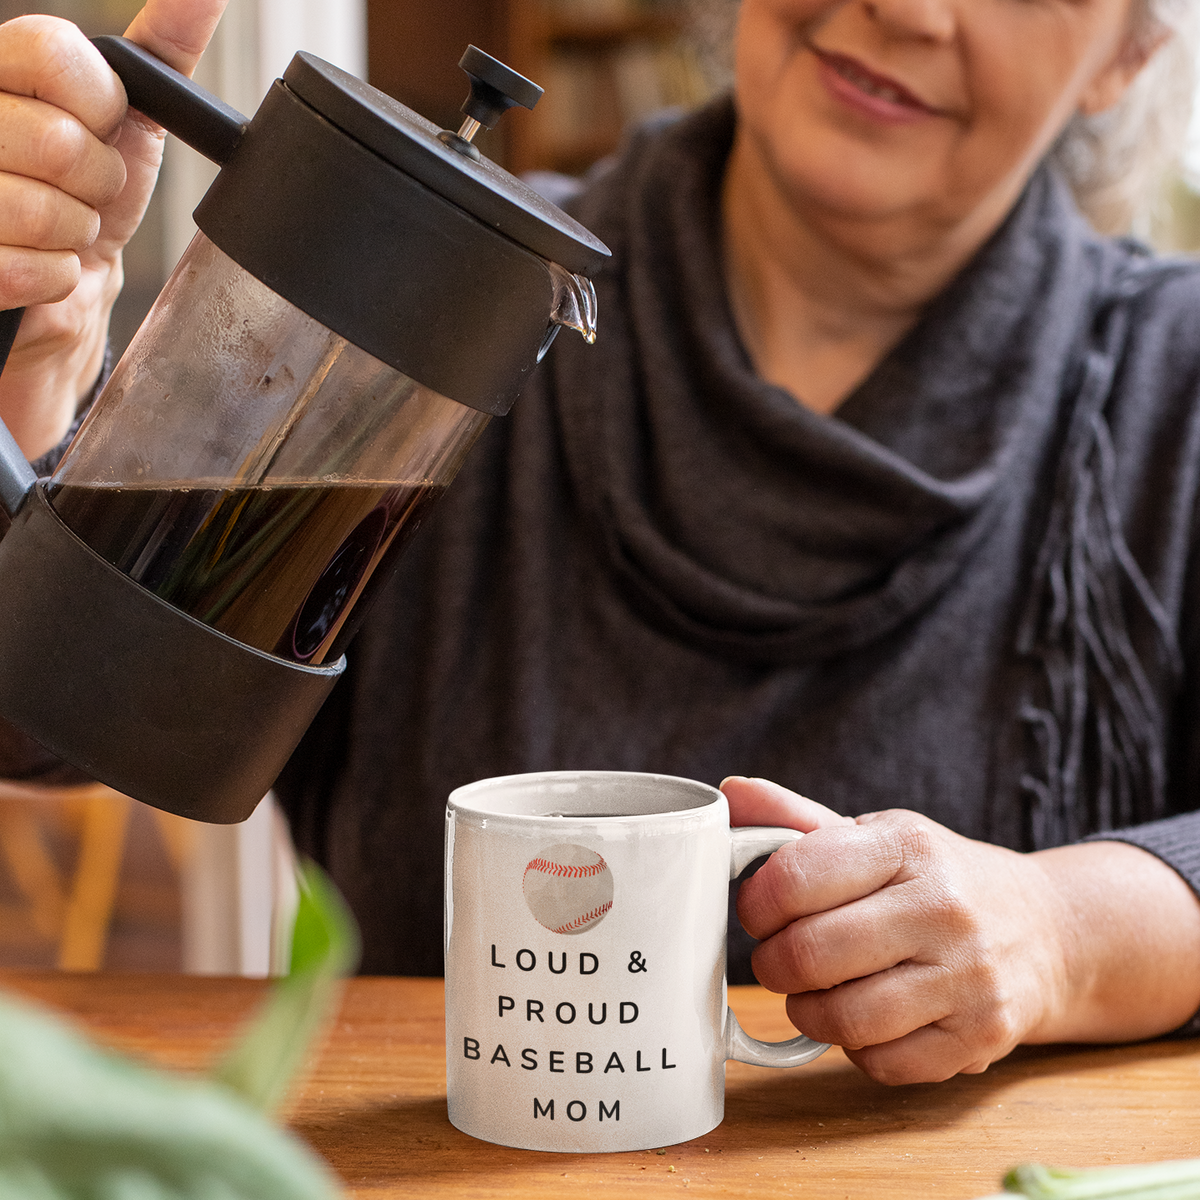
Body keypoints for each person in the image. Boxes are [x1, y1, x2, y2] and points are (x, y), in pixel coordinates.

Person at [3, 0, 1200, 1087]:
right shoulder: (448, 299)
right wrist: (36, 386)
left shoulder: (1172, 388)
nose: (903, 8)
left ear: (1130, 54)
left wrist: (1064, 930)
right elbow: (46, 706)